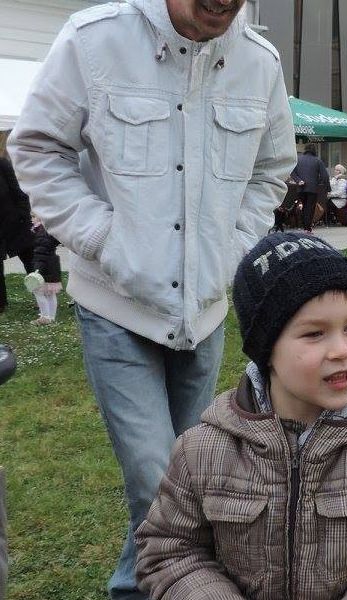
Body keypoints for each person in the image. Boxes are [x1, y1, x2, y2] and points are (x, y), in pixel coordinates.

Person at [7, 0, 296, 597]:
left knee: (179, 478)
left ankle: (131, 588)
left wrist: (235, 248)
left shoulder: (260, 61)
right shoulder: (95, 40)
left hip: (205, 311)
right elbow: (36, 148)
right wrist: (101, 238)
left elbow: (271, 169)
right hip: (116, 305)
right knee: (161, 483)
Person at [135, 232, 347, 599]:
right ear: (267, 350)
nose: (341, 350)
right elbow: (169, 550)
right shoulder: (202, 450)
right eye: (315, 333)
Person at [0, 155, 34, 313]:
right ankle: (1, 303)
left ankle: (43, 296)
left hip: (15, 221)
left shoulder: (2, 164)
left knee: (30, 258)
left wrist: (23, 215)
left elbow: (20, 193)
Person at [26, 215, 63, 326]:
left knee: (38, 291)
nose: (31, 219)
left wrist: (37, 269)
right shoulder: (48, 229)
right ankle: (51, 317)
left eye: (33, 216)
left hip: (44, 266)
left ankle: (45, 316)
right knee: (50, 293)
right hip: (52, 265)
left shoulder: (41, 232)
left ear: (40, 217)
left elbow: (41, 252)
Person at [291, 144, 329, 232]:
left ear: (305, 149)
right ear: (314, 150)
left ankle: (302, 225)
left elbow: (292, 172)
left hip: (301, 188)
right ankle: (307, 228)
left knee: (302, 207)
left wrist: (298, 180)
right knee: (310, 208)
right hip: (312, 188)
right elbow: (325, 176)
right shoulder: (317, 160)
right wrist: (327, 187)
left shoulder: (298, 159)